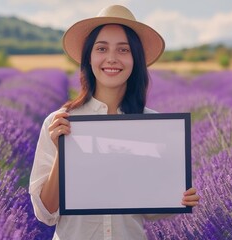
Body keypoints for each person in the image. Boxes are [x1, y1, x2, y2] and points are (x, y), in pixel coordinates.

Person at [29, 5, 200, 239]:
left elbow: (148, 210)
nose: (111, 58)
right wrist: (63, 154)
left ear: (135, 60)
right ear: (88, 57)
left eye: (123, 50)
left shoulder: (151, 126)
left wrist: (177, 198)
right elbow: (45, 213)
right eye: (101, 48)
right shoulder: (60, 123)